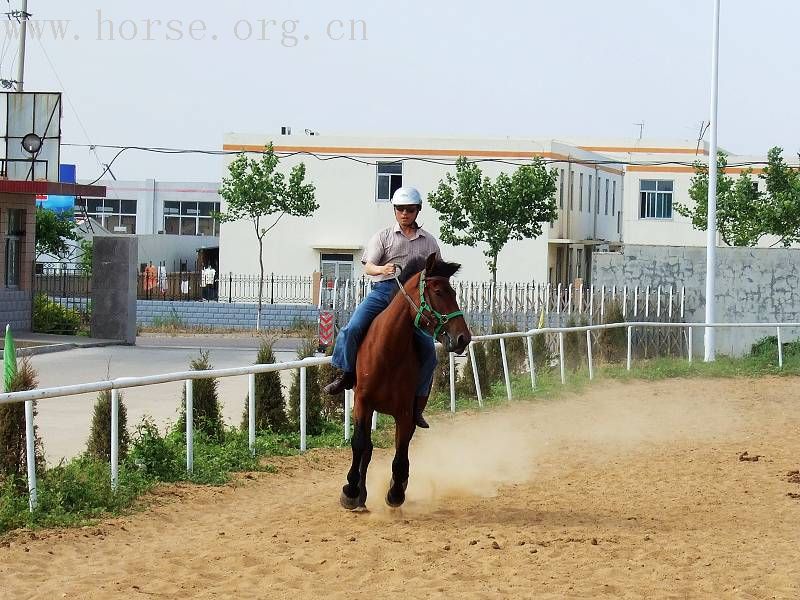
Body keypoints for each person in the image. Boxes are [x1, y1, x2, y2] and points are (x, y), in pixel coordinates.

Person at [324, 186, 440, 429]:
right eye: (400, 209)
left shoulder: (429, 241)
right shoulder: (384, 237)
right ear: (395, 211)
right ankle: (345, 374)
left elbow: (435, 273)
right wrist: (383, 270)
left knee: (429, 351)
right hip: (385, 290)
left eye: (409, 209)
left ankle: (417, 405)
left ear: (418, 210)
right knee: (352, 327)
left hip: (414, 299)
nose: (405, 213)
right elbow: (368, 266)